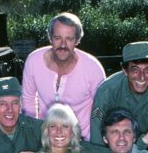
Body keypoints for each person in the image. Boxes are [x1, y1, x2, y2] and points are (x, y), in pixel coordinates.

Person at [22, 12, 105, 140]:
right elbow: (28, 101)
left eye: (69, 39)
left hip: (83, 139)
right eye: (57, 38)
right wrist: (34, 135)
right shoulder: (33, 60)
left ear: (77, 40)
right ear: (50, 38)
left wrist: (94, 139)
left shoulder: (93, 67)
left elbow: (101, 109)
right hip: (47, 139)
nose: (63, 45)